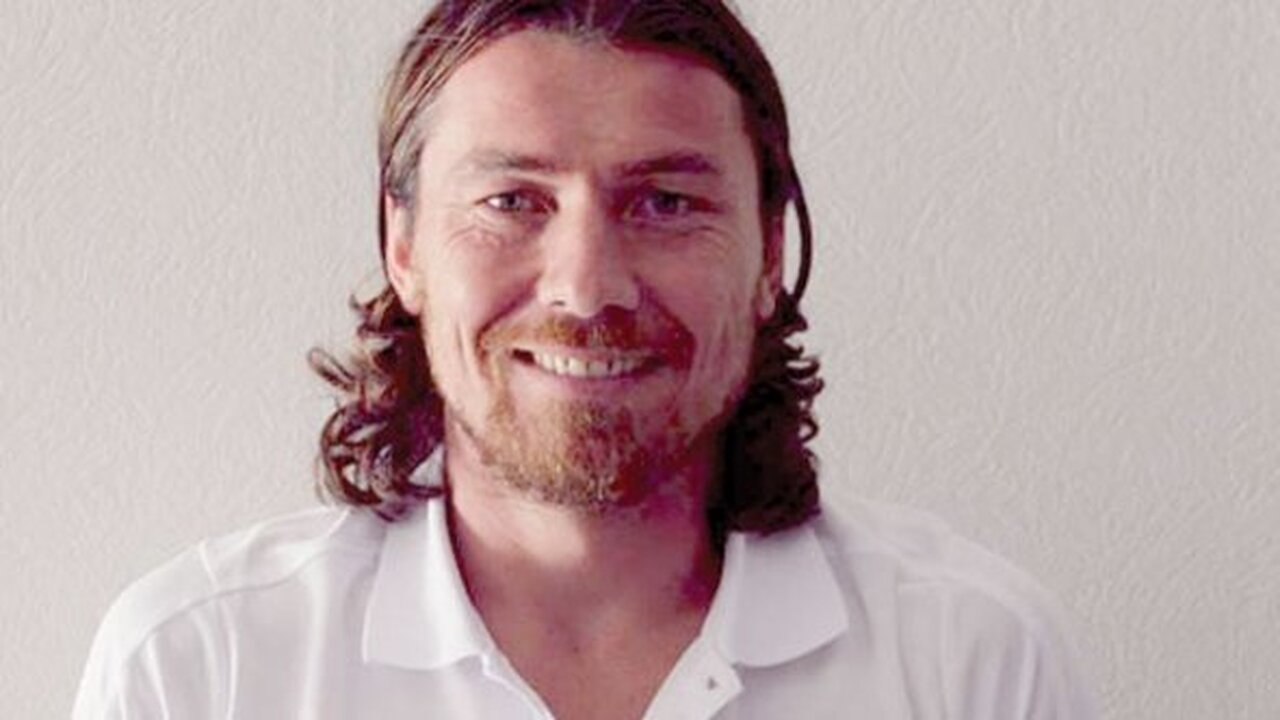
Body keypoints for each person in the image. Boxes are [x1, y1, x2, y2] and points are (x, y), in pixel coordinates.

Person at [74, 1, 1098, 718]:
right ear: (402, 246)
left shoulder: (971, 661)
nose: (586, 285)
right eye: (511, 201)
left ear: (769, 252)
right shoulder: (201, 669)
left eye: (666, 202)